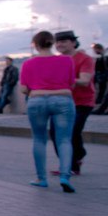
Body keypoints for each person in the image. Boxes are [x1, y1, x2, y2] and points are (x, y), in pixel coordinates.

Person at [20, 30, 76, 192]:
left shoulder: (28, 64)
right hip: (63, 99)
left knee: (39, 139)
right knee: (64, 139)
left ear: (35, 45)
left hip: (37, 100)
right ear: (52, 43)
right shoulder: (67, 61)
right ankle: (65, 176)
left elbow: (24, 89)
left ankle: (41, 178)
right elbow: (71, 83)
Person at [53, 30, 94, 175]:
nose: (59, 44)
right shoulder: (56, 60)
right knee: (54, 133)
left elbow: (84, 81)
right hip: (61, 102)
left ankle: (77, 157)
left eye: (63, 41)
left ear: (73, 43)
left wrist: (64, 80)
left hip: (82, 102)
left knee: (73, 131)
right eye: (57, 42)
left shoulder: (84, 59)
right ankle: (68, 164)